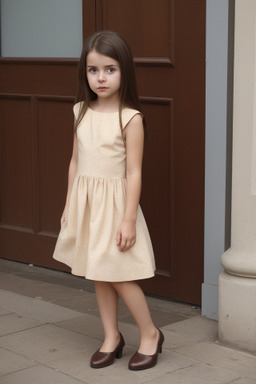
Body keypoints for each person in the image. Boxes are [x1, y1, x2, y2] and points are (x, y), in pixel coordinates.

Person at [53, 30, 164, 371]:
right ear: (84, 73)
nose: (101, 78)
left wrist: (129, 218)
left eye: (110, 69)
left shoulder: (130, 118)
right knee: (98, 273)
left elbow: (134, 172)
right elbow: (75, 161)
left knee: (118, 274)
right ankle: (111, 336)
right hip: (87, 205)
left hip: (115, 208)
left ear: (124, 71)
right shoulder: (80, 112)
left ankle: (150, 334)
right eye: (93, 70)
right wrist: (69, 203)